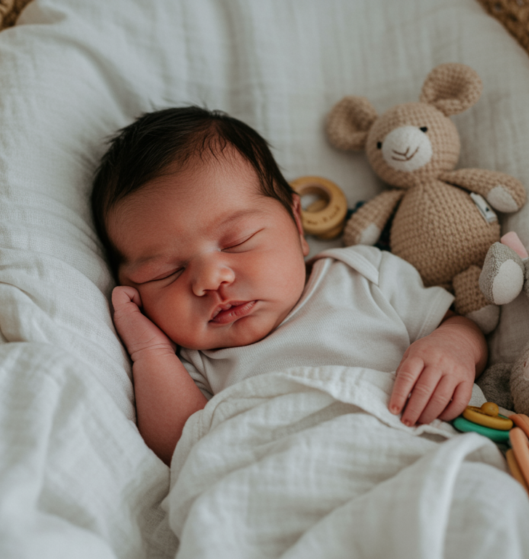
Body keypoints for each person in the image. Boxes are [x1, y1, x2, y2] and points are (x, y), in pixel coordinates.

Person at [91, 106, 488, 465]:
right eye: (166, 273)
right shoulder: (193, 362)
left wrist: (453, 347)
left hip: (417, 454)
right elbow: (182, 446)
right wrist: (150, 350)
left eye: (237, 241)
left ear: (297, 224)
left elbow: (460, 325)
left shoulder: (360, 274)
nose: (211, 280)